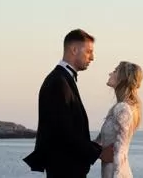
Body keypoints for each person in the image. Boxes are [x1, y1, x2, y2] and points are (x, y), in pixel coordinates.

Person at [24, 29, 113, 177]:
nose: (92, 58)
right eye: (89, 52)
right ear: (74, 50)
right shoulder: (58, 82)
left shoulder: (62, 79)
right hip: (64, 170)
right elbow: (63, 130)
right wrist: (99, 153)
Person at [94, 61, 143, 178]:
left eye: (115, 71)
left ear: (122, 78)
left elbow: (119, 150)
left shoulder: (122, 108)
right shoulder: (118, 108)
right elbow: (98, 142)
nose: (110, 73)